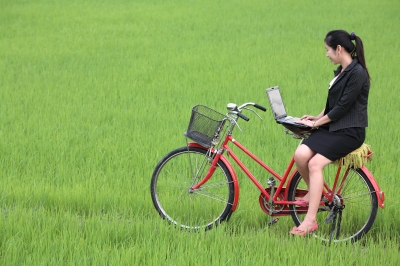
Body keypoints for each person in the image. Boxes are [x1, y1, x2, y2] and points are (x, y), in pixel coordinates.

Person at [290, 30, 371, 236]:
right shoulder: (342, 71)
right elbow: (332, 106)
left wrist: (317, 124)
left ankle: (310, 220)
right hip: (333, 127)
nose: (326, 54)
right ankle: (312, 193)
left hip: (349, 131)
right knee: (300, 155)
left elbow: (341, 109)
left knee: (315, 164)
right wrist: (314, 119)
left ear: (339, 49)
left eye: (327, 50)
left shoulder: (358, 73)